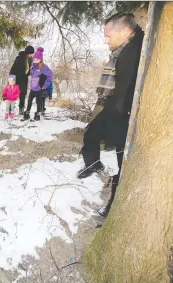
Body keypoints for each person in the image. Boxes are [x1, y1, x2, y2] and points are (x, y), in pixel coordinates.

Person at [76, 13, 144, 217]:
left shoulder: (136, 49)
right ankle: (94, 164)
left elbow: (131, 88)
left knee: (122, 160)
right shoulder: (122, 50)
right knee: (91, 134)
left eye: (108, 35)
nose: (106, 39)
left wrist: (122, 119)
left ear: (124, 31)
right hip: (114, 106)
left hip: (126, 114)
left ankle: (115, 204)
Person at [22, 47, 53, 121]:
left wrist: (44, 85)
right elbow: (32, 76)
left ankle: (37, 115)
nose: (35, 60)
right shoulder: (33, 67)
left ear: (40, 59)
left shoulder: (44, 67)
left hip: (39, 88)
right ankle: (27, 114)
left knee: (38, 102)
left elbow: (50, 76)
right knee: (29, 101)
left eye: (37, 59)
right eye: (34, 59)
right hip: (33, 88)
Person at [9, 45, 35, 114]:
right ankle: (10, 110)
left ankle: (21, 110)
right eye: (31, 53)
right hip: (16, 79)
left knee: (22, 95)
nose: (32, 55)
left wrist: (30, 70)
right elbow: (13, 70)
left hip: (24, 80)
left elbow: (27, 72)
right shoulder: (19, 58)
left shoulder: (30, 60)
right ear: (28, 53)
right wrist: (11, 81)